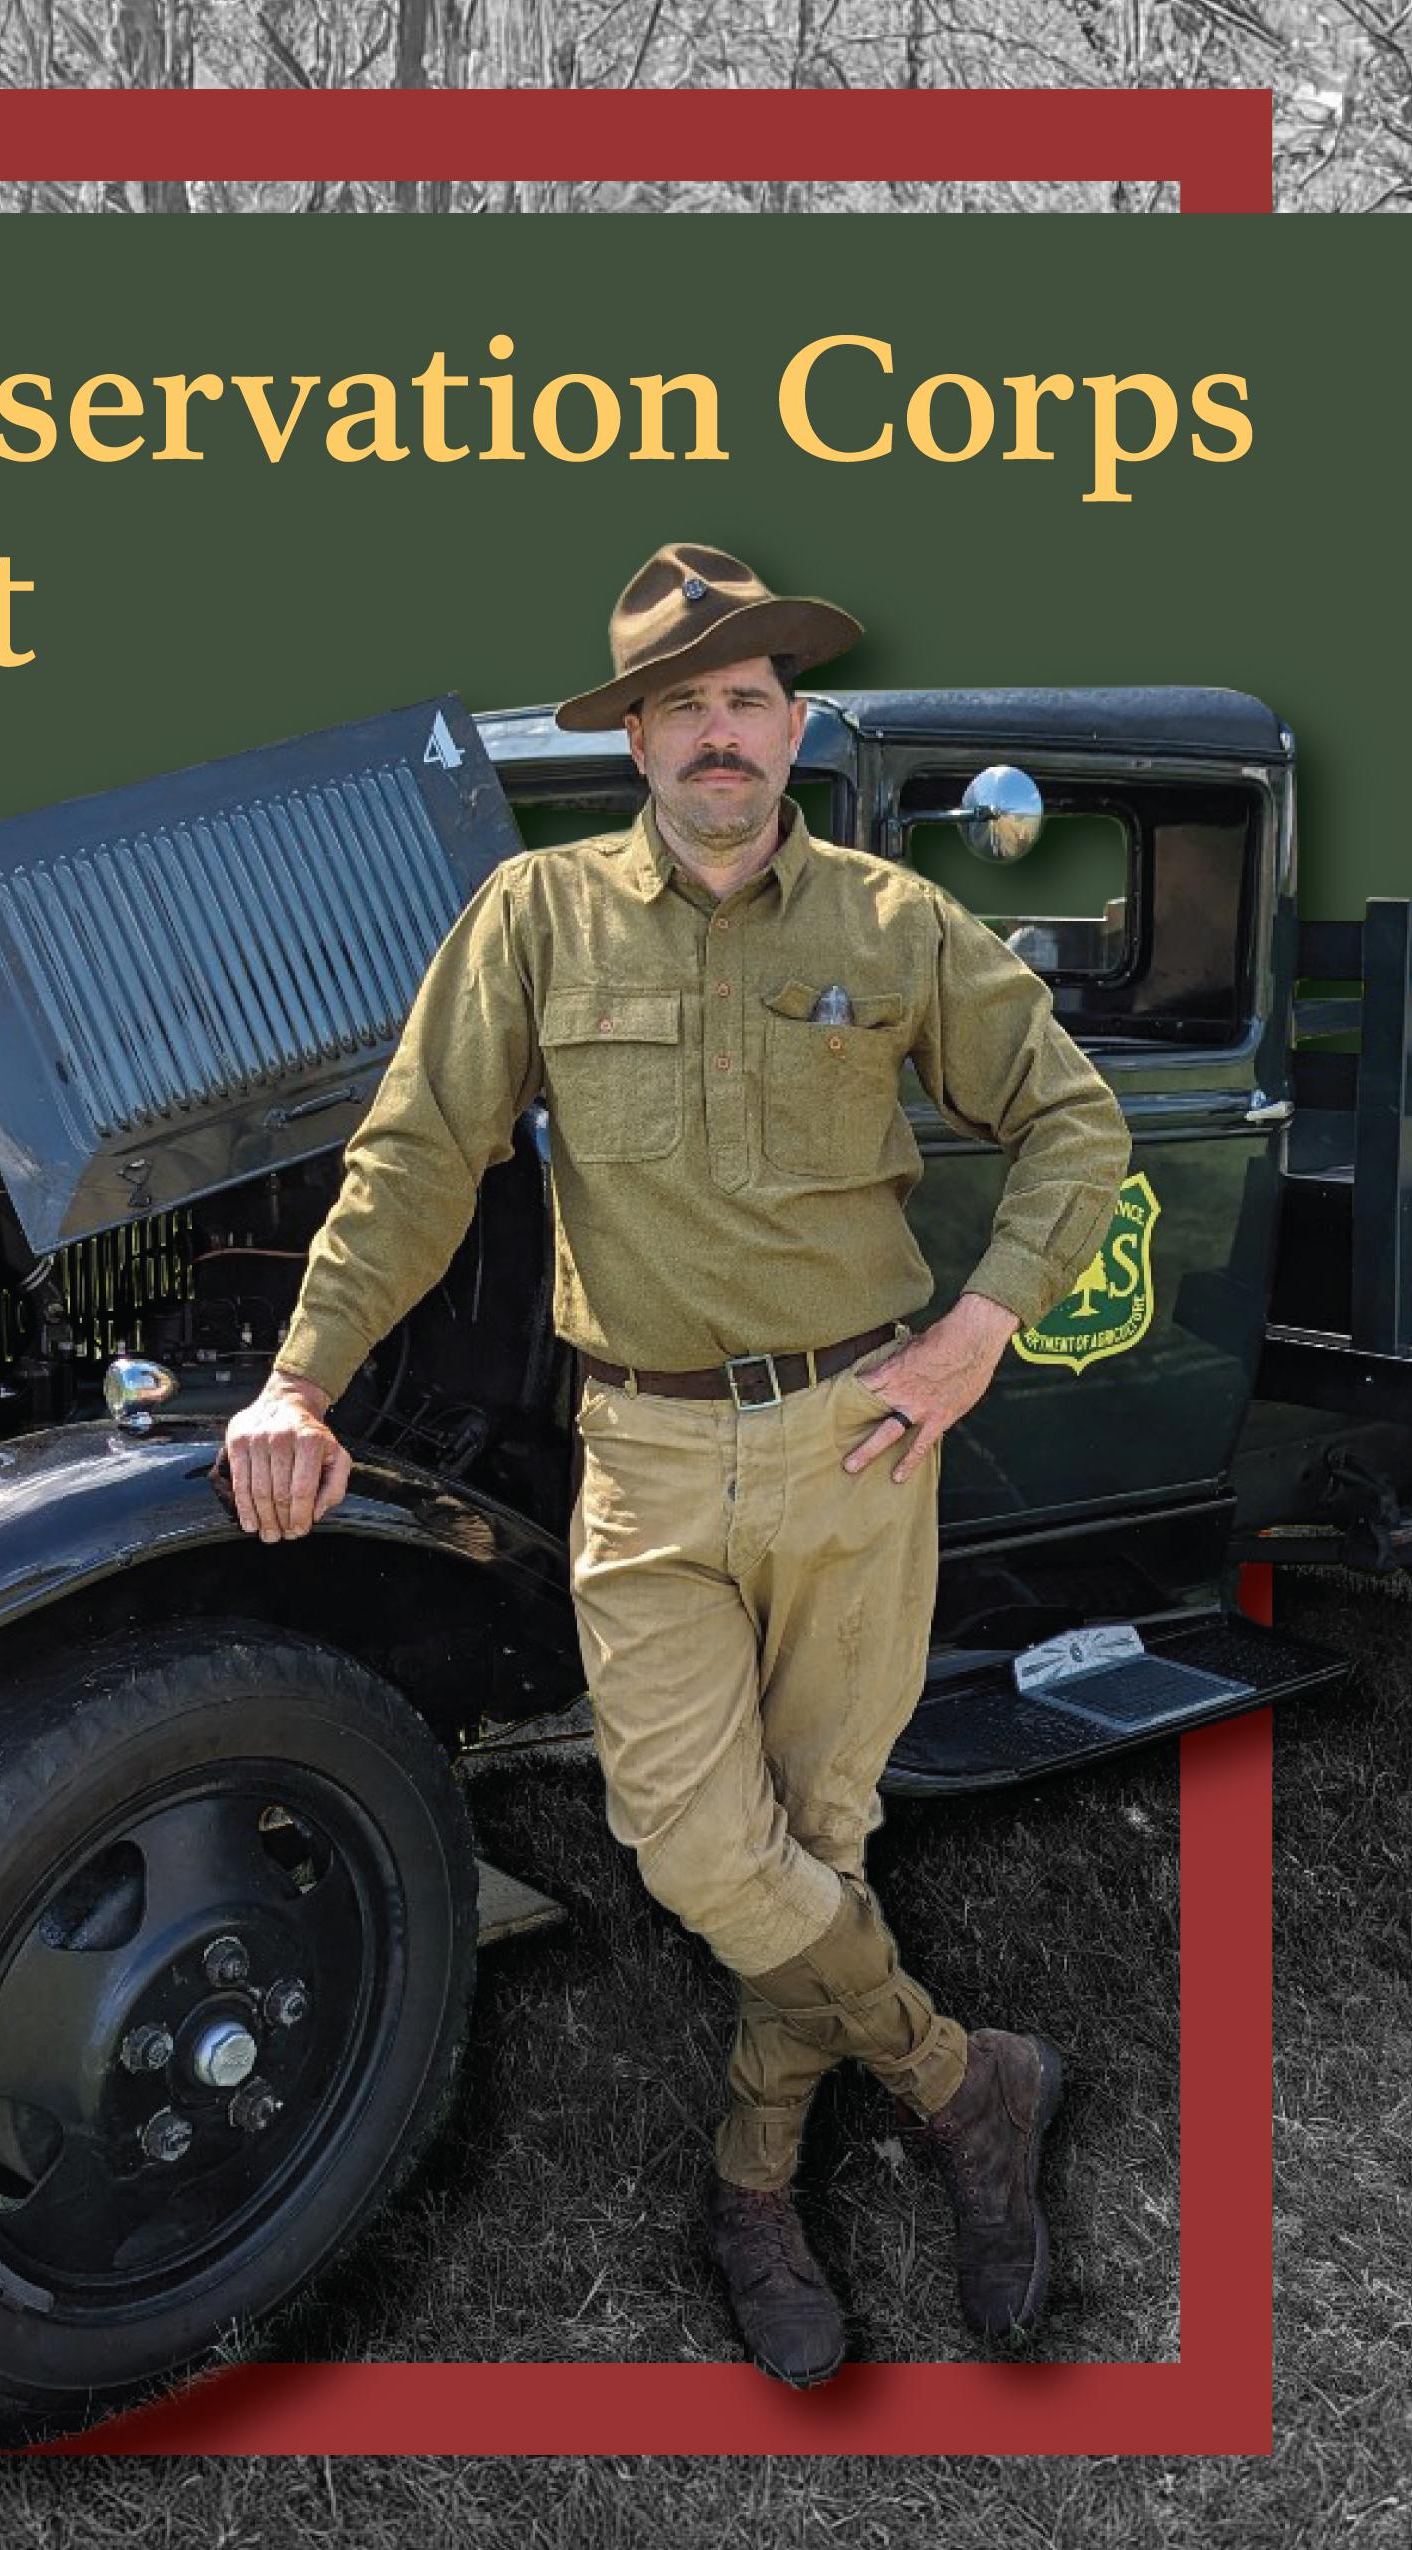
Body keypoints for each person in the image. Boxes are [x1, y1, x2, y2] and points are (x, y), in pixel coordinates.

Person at [221, 541, 1134, 2386]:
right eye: (680, 705)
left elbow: (1074, 1121)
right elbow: (411, 1162)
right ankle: (970, 2082)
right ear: (629, 735)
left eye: (748, 699)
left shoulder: (891, 925)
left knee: (820, 1835)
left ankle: (753, 2187)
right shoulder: (535, 918)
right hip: (637, 1450)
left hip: (862, 1441)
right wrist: (298, 1378)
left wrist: (974, 1333)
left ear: (789, 725)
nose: (718, 735)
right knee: (692, 1842)